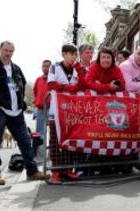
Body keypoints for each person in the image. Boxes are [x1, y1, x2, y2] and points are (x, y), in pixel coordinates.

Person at [0, 41, 47, 185]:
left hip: (16, 113)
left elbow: (21, 84)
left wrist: (21, 104)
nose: (8, 53)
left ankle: (32, 171)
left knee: (25, 142)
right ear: (0, 50)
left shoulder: (16, 69)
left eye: (11, 51)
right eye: (6, 50)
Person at [47, 43, 86, 182]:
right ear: (64, 54)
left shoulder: (78, 69)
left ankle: (68, 169)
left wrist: (79, 70)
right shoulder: (54, 67)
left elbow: (82, 85)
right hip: (56, 111)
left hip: (71, 111)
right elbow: (51, 84)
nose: (74, 57)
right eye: (72, 54)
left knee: (70, 140)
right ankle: (55, 172)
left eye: (76, 55)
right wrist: (69, 88)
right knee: (55, 141)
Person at [33, 60, 51, 138]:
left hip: (51, 109)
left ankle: (52, 150)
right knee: (39, 132)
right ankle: (40, 150)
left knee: (53, 131)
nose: (45, 68)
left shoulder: (54, 79)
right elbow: (35, 91)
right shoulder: (38, 79)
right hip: (40, 109)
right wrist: (36, 102)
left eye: (48, 66)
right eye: (44, 66)